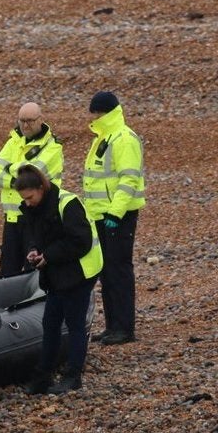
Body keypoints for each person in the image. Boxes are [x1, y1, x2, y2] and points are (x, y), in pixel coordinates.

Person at [15, 166, 102, 395]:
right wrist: (34, 250)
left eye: (30, 197)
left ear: (41, 189)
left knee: (74, 325)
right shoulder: (33, 208)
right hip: (56, 273)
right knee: (50, 324)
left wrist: (49, 255)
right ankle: (43, 376)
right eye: (24, 199)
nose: (28, 202)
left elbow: (81, 241)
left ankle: (73, 377)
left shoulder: (68, 203)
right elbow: (34, 235)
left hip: (80, 272)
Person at [82, 91, 146, 346]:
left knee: (119, 270)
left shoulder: (124, 138)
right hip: (100, 214)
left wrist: (115, 213)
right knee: (106, 272)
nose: (93, 116)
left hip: (117, 215)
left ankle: (125, 328)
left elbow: (129, 179)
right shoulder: (103, 137)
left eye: (96, 112)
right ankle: (112, 326)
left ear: (104, 112)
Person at [0, 102, 64, 277]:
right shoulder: (13, 141)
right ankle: (8, 305)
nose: (25, 125)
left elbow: (32, 176)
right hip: (13, 218)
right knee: (7, 272)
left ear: (40, 120)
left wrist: (8, 169)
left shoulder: (53, 147)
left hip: (36, 218)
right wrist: (19, 175)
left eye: (29, 120)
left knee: (35, 271)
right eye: (22, 120)